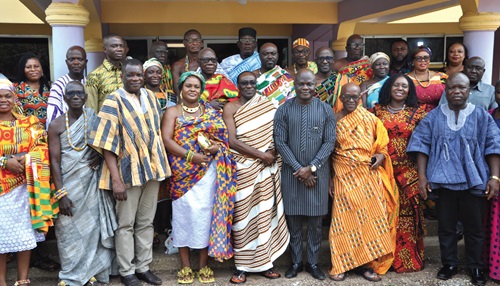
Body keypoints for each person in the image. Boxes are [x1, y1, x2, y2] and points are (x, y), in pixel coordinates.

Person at [407, 73, 500, 286]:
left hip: (474, 181)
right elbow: (421, 146)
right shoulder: (433, 117)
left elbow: (494, 146)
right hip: (443, 181)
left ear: (469, 91)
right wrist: (422, 177)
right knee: (446, 227)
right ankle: (449, 264)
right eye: (452, 88)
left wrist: (495, 177)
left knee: (474, 228)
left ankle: (475, 267)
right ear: (446, 91)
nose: (457, 91)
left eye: (462, 88)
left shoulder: (482, 116)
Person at [89, 59, 170, 286]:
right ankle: (127, 271)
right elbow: (105, 143)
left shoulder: (151, 98)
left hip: (152, 169)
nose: (135, 79)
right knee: (125, 224)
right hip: (126, 172)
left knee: (146, 222)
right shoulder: (112, 100)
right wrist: (116, 179)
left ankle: (143, 267)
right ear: (122, 76)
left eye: (138, 75)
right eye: (130, 75)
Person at [162, 71, 237, 284]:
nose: (192, 89)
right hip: (181, 173)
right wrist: (190, 156)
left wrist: (215, 148)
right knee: (182, 218)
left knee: (206, 216)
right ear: (181, 89)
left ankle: (204, 266)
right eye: (188, 86)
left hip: (207, 173)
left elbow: (222, 138)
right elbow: (166, 140)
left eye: (196, 86)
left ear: (201, 90)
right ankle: (185, 267)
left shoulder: (210, 112)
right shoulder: (172, 112)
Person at [223, 72, 289, 284]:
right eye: (245, 83)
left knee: (265, 216)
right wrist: (262, 155)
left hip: (267, 169)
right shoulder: (230, 107)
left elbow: (277, 134)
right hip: (244, 168)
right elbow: (232, 141)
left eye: (252, 82)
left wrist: (271, 154)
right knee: (242, 218)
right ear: (238, 86)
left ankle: (266, 263)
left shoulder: (268, 104)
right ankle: (241, 267)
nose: (249, 85)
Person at [48, 81, 116, 286]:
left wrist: (99, 156)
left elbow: (105, 145)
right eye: (71, 93)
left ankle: (92, 273)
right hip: (68, 186)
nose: (76, 96)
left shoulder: (93, 118)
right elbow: (55, 161)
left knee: (92, 229)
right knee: (68, 231)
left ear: (86, 98)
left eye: (80, 93)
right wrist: (61, 194)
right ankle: (71, 275)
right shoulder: (56, 125)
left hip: (92, 184)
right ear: (65, 98)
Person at [328, 82, 398, 282]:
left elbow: (382, 145)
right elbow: (327, 152)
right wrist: (330, 180)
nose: (351, 100)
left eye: (355, 97)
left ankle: (367, 265)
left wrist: (381, 157)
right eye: (347, 97)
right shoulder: (333, 120)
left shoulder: (370, 118)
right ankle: (340, 264)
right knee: (342, 223)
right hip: (342, 174)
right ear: (341, 99)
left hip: (368, 174)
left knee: (369, 221)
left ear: (361, 98)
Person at [274, 69, 336, 281]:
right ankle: (295, 262)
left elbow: (329, 142)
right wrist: (299, 169)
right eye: (301, 84)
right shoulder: (283, 111)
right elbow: (280, 142)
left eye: (309, 84)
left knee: (316, 224)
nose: (305, 88)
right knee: (293, 223)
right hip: (292, 175)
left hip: (317, 176)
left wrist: (311, 168)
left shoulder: (326, 110)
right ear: (295, 85)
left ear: (315, 85)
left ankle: (312, 263)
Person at [0, 78, 58, 286]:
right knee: (1, 239)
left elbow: (42, 146)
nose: (3, 100)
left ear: (15, 98)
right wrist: (4, 161)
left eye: (7, 96)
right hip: (1, 191)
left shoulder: (29, 122)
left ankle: (22, 280)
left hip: (26, 188)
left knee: (25, 236)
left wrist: (27, 159)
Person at [372, 74, 427, 273]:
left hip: (409, 172)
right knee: (383, 215)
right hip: (382, 172)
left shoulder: (419, 113)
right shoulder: (376, 111)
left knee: (407, 217)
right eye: (396, 85)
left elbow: (424, 144)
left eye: (405, 86)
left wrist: (423, 175)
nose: (400, 89)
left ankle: (405, 261)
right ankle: (381, 261)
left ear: (410, 90)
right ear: (389, 87)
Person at [46, 46, 87, 127]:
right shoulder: (59, 84)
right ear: (66, 62)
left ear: (86, 62)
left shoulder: (90, 83)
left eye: (80, 59)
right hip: (66, 132)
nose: (76, 62)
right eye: (72, 59)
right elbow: (52, 115)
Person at [85, 34, 127, 112]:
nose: (119, 49)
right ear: (105, 49)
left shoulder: (128, 73)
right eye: (114, 46)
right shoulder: (94, 76)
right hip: (105, 122)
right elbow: (91, 110)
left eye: (121, 46)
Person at [406, 46, 448, 111]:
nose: (423, 60)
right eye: (418, 58)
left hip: (439, 114)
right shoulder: (405, 79)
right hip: (413, 116)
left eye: (426, 58)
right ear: (413, 61)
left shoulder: (442, 77)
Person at [14, 53, 51, 126]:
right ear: (23, 70)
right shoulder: (16, 89)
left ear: (42, 69)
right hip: (27, 133)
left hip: (50, 133)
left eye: (36, 66)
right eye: (28, 67)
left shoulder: (50, 88)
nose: (33, 69)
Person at [253, 42, 295, 107]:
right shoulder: (252, 76)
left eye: (273, 54)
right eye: (265, 54)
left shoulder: (284, 76)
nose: (270, 57)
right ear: (259, 56)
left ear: (277, 55)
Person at [487, 80, 500, 281]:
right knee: (494, 222)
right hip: (492, 173)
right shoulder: (489, 115)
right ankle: (494, 268)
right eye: (499, 91)